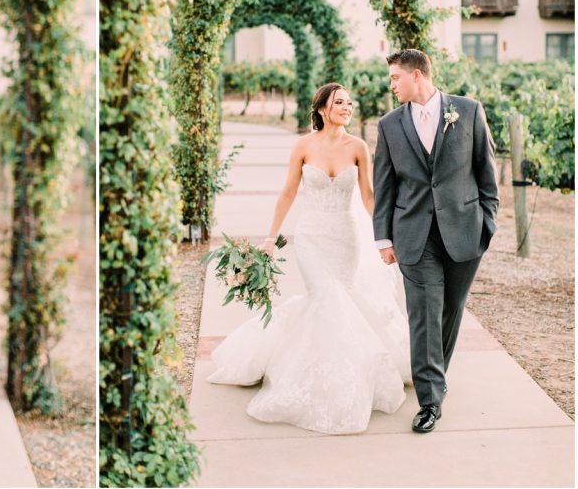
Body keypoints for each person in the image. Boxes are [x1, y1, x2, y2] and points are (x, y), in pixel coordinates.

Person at [208, 82, 411, 435]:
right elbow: (288, 192)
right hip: (312, 238)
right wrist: (271, 237)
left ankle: (348, 373)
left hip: (345, 237)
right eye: (339, 102)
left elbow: (368, 196)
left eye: (350, 102)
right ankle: (319, 378)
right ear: (321, 109)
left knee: (340, 300)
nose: (347, 107)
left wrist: (383, 237)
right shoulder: (302, 146)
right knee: (326, 299)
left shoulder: (359, 147)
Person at [373, 49, 498, 433]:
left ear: (416, 74)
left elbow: (486, 171)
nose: (391, 84)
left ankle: (435, 376)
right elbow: (385, 184)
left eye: (395, 77)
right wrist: (383, 237)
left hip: (464, 230)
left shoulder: (469, 111)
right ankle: (429, 401)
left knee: (451, 310)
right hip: (414, 234)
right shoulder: (389, 124)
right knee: (424, 314)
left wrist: (487, 223)